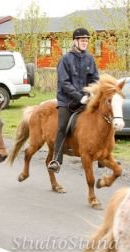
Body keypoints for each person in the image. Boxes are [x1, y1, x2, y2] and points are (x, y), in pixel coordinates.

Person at [47, 27, 99, 173]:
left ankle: (101, 154)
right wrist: (79, 96)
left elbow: (95, 78)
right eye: (82, 40)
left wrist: (92, 92)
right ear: (75, 41)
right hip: (67, 101)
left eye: (87, 40)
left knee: (99, 119)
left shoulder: (89, 58)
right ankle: (56, 160)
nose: (85, 43)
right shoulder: (65, 59)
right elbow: (64, 83)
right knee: (62, 126)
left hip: (85, 99)